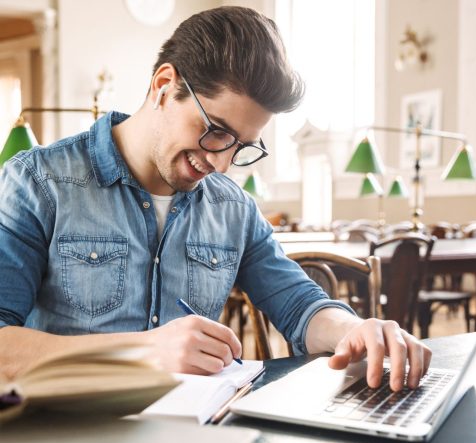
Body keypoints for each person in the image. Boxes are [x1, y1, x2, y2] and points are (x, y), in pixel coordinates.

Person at [0, 6, 430, 389]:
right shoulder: (37, 182)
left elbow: (300, 305)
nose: (221, 164)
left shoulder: (232, 207)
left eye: (240, 146)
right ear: (164, 86)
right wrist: (142, 351)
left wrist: (354, 329)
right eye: (216, 131)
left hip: (197, 441)